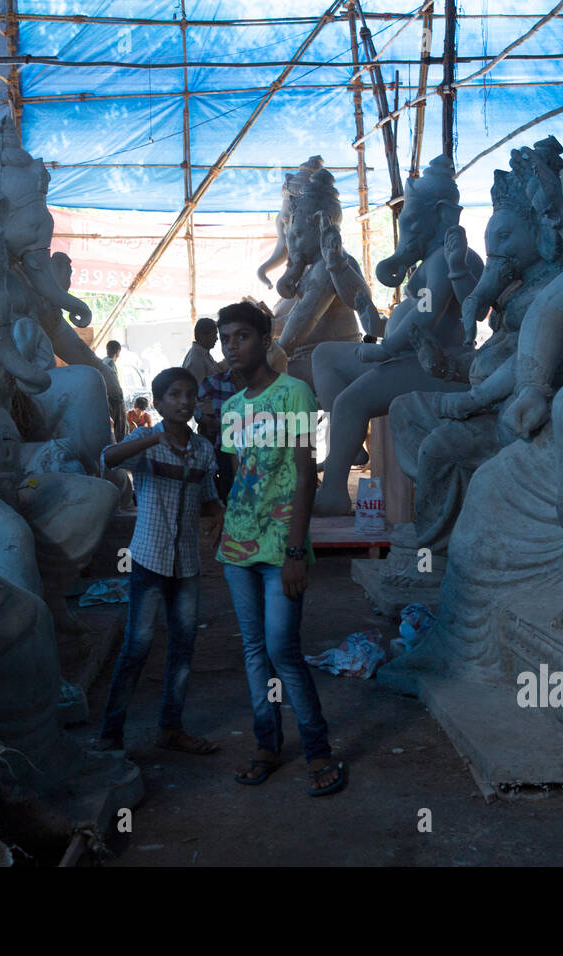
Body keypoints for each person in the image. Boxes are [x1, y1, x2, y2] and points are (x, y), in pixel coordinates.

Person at [214, 300, 346, 797]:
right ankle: (266, 745)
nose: (231, 347)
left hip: (280, 547)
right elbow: (237, 478)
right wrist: (222, 524)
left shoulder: (294, 394)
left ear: (265, 340)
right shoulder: (230, 408)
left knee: (282, 651)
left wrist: (295, 552)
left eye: (241, 337)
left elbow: (304, 476)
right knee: (252, 652)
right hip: (237, 549)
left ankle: (318, 751)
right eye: (226, 339)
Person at [97, 367, 225, 755]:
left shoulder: (202, 449)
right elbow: (107, 459)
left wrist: (218, 512)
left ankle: (170, 728)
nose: (184, 402)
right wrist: (152, 436)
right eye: (174, 395)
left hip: (187, 564)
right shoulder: (144, 441)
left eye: (190, 395)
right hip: (149, 559)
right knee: (137, 645)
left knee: (183, 647)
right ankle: (110, 734)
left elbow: (207, 496)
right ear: (158, 403)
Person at [196, 365, 243, 501]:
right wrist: (205, 419)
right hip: (225, 446)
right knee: (228, 490)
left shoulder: (261, 384)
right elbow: (190, 400)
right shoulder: (217, 382)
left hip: (257, 447)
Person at [182, 318, 221, 385]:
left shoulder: (203, 353)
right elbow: (199, 391)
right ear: (202, 335)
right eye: (214, 334)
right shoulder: (196, 360)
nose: (217, 338)